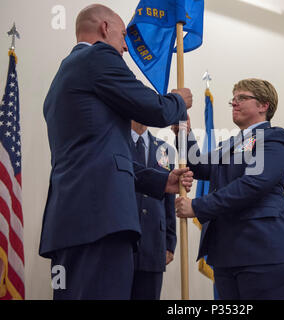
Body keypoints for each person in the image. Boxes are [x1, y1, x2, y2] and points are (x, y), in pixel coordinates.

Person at [39, 4, 194, 300]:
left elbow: (103, 155)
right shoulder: (98, 56)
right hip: (100, 221)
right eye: (123, 35)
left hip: (73, 221)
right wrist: (178, 100)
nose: (126, 46)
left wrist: (160, 182)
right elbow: (153, 109)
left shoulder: (61, 80)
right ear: (104, 28)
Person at [174, 79, 284, 300]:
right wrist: (182, 132)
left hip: (264, 253)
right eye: (233, 99)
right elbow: (198, 165)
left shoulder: (274, 138)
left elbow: (253, 184)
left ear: (264, 105)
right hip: (226, 255)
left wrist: (197, 206)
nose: (234, 103)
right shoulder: (232, 144)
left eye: (242, 98)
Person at [130, 122, 177, 300]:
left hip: (154, 243)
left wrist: (170, 242)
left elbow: (169, 198)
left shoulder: (164, 149)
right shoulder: (116, 143)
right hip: (122, 240)